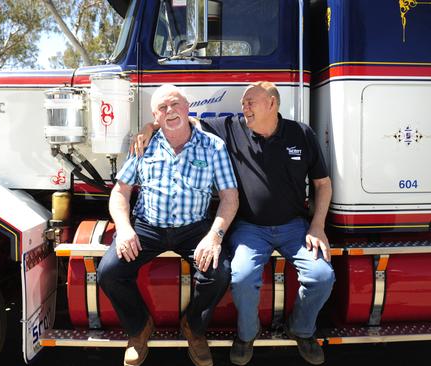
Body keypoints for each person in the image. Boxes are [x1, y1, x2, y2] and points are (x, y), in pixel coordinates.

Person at [134, 82, 335, 365]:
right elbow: (178, 120)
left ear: (272, 104)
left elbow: (323, 185)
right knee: (240, 277)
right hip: (249, 228)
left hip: (294, 227)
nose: (244, 107)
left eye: (251, 102)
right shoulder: (231, 127)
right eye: (243, 103)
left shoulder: (301, 134)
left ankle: (301, 329)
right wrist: (148, 127)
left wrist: (317, 226)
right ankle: (246, 335)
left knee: (322, 277)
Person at [97, 84, 239, 366]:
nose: (170, 111)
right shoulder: (143, 144)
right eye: (162, 108)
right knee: (109, 273)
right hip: (148, 226)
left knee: (219, 274)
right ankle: (139, 329)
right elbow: (120, 192)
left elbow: (229, 198)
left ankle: (194, 328)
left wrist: (214, 236)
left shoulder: (213, 146)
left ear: (187, 109)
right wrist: (125, 228)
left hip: (194, 228)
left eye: (175, 104)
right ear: (155, 116)